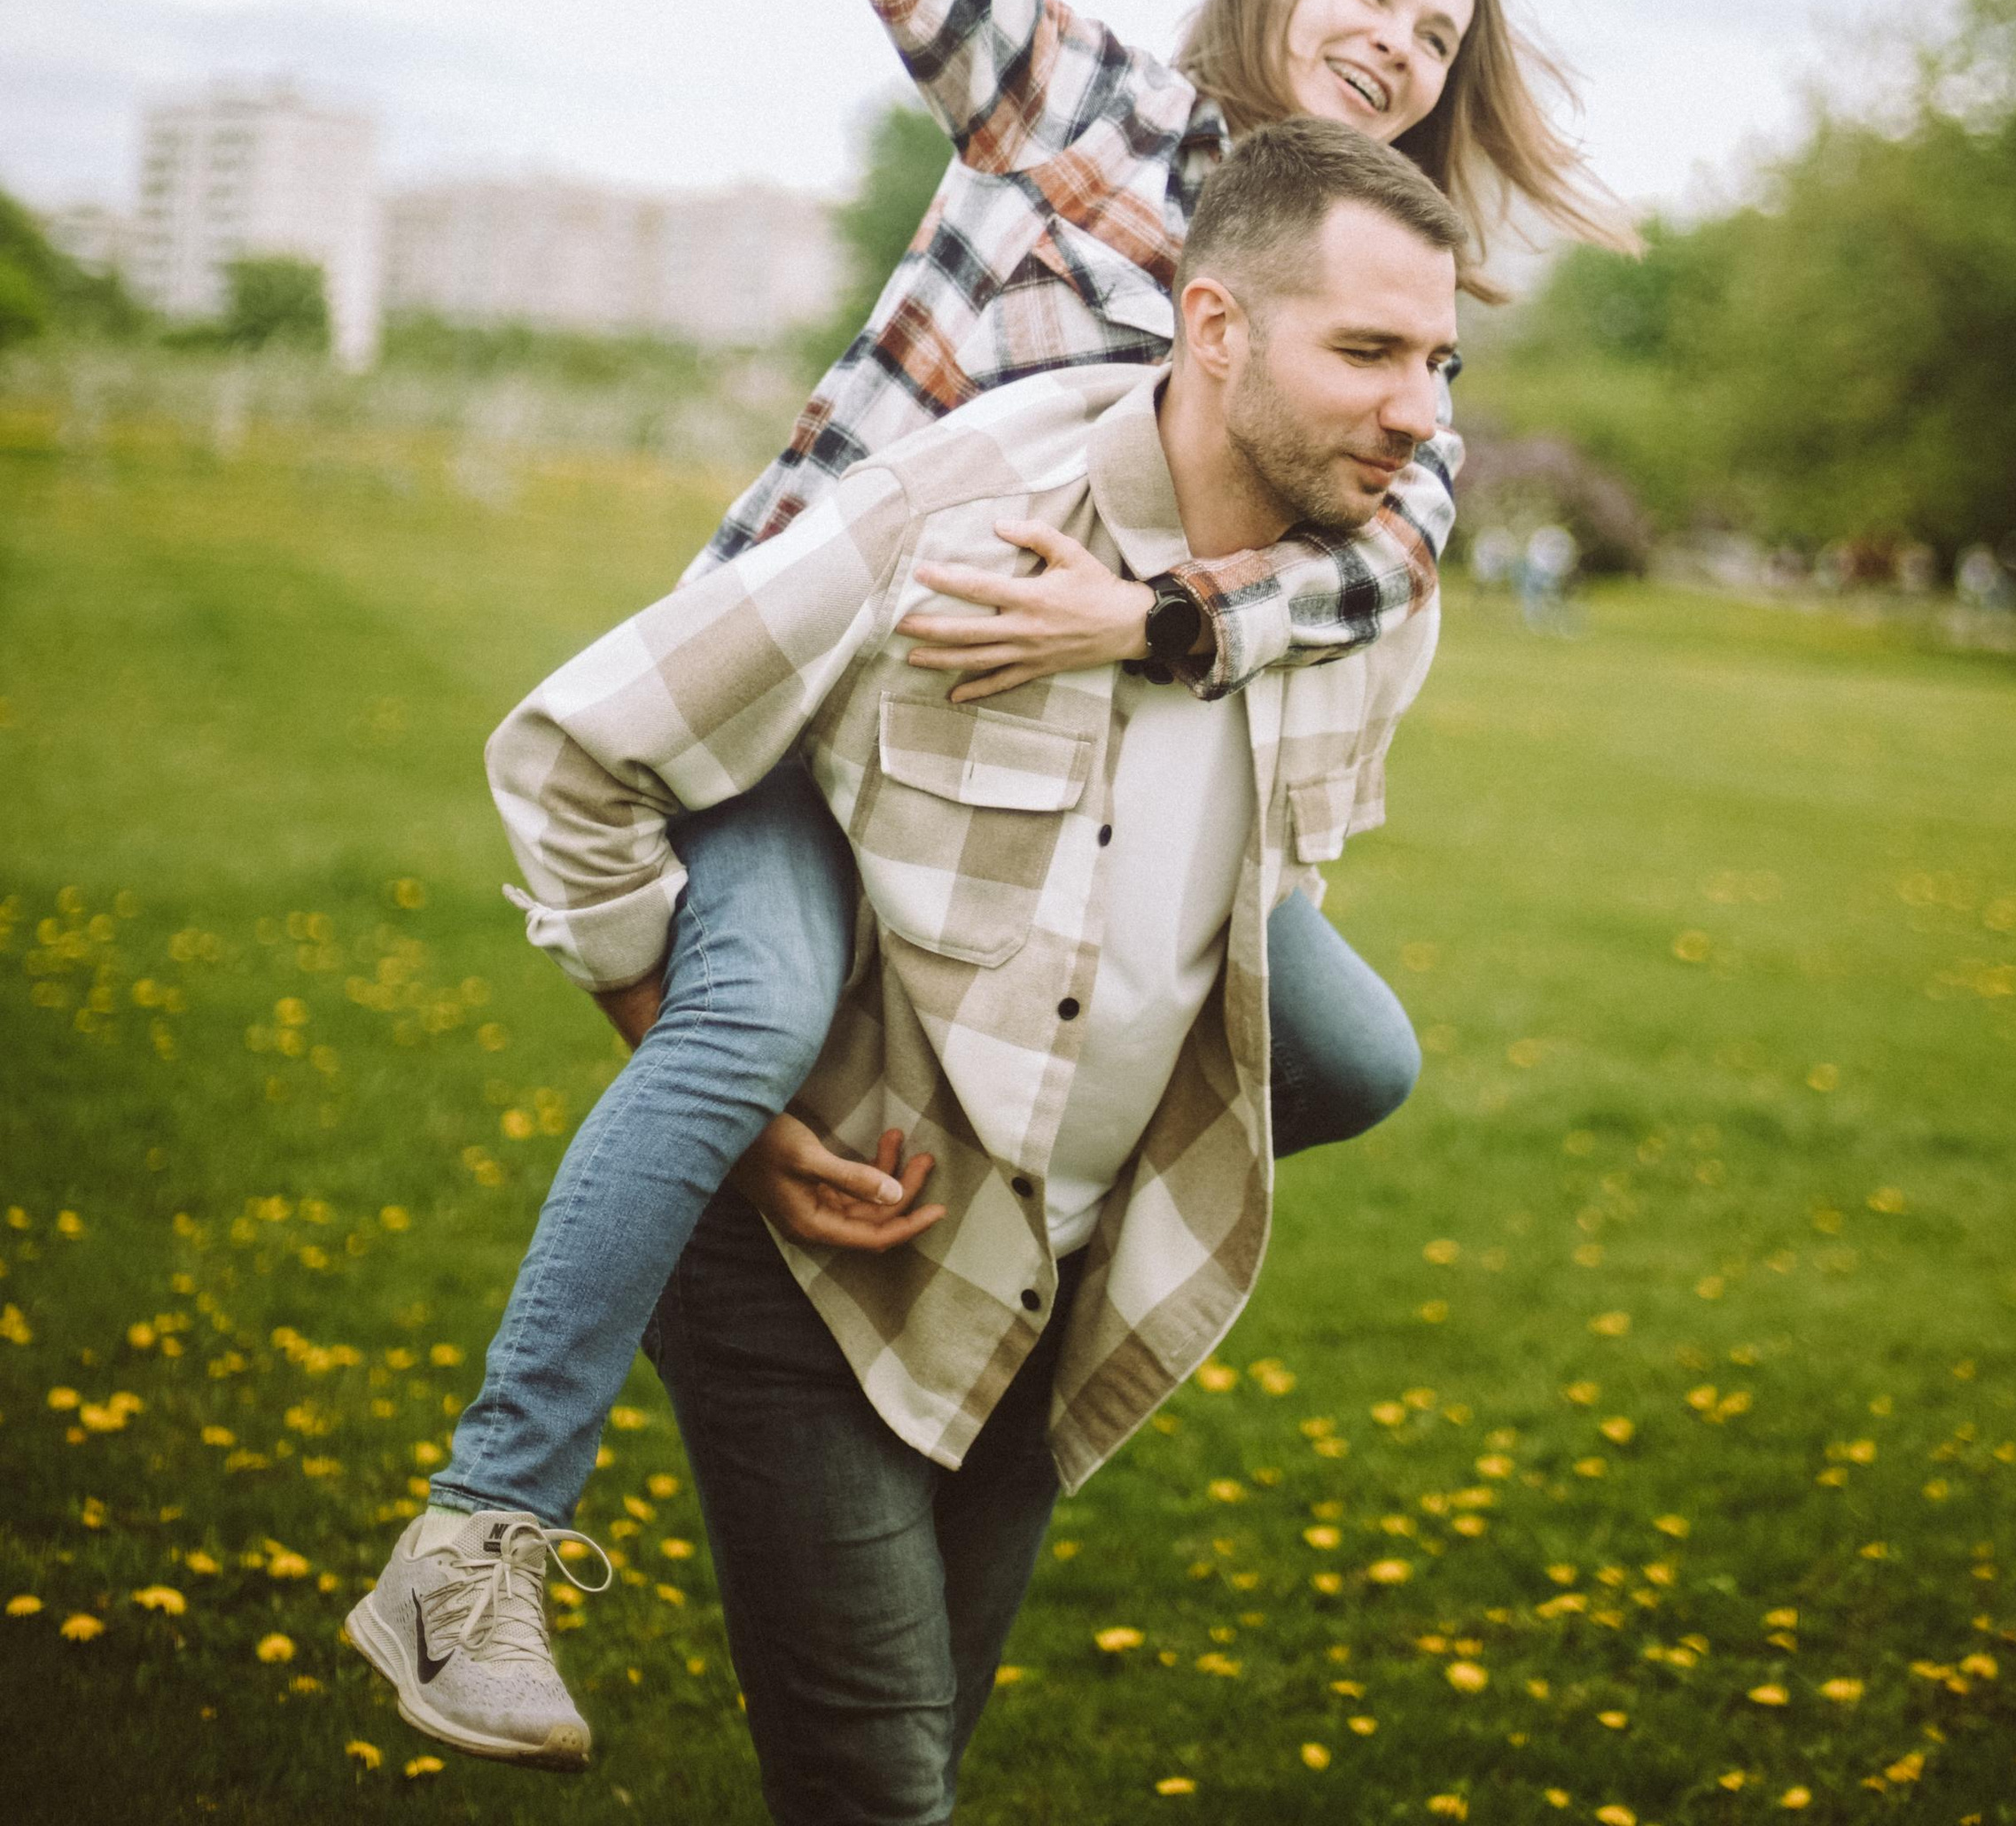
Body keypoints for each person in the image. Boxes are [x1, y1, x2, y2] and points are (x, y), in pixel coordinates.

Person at [347, 0, 1624, 1763]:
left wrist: (1148, 619)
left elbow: (1389, 557)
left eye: (1438, 32)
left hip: (1056, 764)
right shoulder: (1091, 108)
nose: (1399, 39)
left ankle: (1001, 1200)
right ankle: (483, 1526)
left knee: (1352, 1052)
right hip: (808, 698)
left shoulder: (1379, 297)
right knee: (748, 1023)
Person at [356, 121, 1466, 1821]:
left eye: (1439, 360)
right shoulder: (966, 508)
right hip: (815, 1275)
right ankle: (477, 1531)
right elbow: (578, 755)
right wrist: (707, 1077)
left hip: (1049, 1290)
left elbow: (1254, 916)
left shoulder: (1367, 594)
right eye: (1371, 352)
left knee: (899, 1773)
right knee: (882, 1794)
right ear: (1217, 327)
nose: (1420, 410)